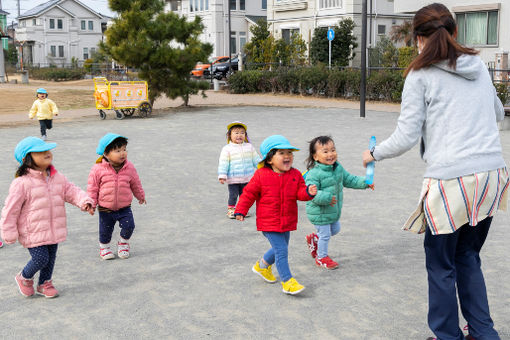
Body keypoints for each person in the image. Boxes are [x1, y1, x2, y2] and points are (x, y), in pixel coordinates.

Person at [361, 3, 508, 340]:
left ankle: (447, 336)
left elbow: (406, 137)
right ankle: (484, 333)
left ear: (418, 39)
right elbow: (498, 113)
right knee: (468, 254)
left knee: (441, 265)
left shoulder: (420, 75)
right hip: (490, 176)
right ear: (455, 33)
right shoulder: (480, 67)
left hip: (451, 183)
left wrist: (373, 154)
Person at [0, 137, 94, 298]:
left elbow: (71, 191)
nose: (46, 153)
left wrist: (84, 201)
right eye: (40, 152)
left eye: (47, 150)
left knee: (50, 258)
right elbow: (11, 209)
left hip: (54, 227)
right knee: (41, 258)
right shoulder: (22, 183)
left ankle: (44, 283)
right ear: (26, 160)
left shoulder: (57, 177)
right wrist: (8, 231)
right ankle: (24, 277)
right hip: (33, 230)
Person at [235, 135, 317, 295]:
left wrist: (308, 192)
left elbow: (299, 194)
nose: (287, 156)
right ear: (270, 159)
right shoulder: (261, 175)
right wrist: (241, 209)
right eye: (281, 153)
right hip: (269, 222)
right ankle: (287, 281)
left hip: (287, 220)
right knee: (281, 250)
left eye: (289, 153)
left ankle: (262, 266)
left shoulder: (295, 174)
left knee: (281, 247)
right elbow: (248, 193)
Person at [304, 136, 373, 269]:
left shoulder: (338, 168)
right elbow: (311, 193)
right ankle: (321, 257)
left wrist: (365, 182)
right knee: (325, 235)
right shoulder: (313, 174)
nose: (330, 154)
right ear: (315, 157)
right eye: (325, 151)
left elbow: (349, 180)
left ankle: (314, 239)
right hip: (319, 212)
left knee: (335, 229)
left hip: (332, 211)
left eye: (333, 150)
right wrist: (327, 198)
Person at [87, 133, 146, 260]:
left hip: (124, 207)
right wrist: (91, 204)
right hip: (105, 208)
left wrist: (140, 195)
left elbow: (135, 182)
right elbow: (93, 188)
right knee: (105, 231)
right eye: (117, 150)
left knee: (129, 226)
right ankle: (105, 248)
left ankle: (123, 244)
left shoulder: (129, 167)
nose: (122, 153)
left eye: (124, 149)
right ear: (106, 154)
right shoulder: (97, 169)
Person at [218, 121, 261, 218]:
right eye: (236, 133)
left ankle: (242, 210)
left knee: (244, 195)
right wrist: (222, 175)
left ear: (245, 135)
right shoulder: (227, 148)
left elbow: (256, 159)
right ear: (229, 135)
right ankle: (231, 210)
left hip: (247, 178)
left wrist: (264, 167)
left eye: (242, 133)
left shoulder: (249, 147)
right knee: (233, 195)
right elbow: (223, 163)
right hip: (233, 178)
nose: (239, 135)